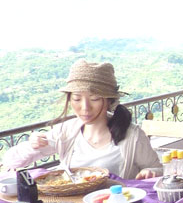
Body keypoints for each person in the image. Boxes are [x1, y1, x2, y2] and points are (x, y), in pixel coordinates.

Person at [2, 61, 162, 179]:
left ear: (109, 100)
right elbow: (11, 161)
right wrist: (32, 145)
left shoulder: (132, 136)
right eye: (77, 99)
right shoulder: (66, 132)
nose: (85, 108)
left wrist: (150, 172)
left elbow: (158, 169)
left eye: (94, 99)